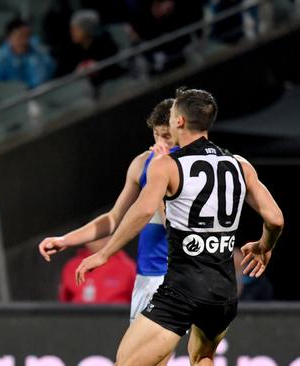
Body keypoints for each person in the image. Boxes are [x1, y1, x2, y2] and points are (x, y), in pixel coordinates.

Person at [75, 87, 284, 365]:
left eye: (172, 115)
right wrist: (264, 245)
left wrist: (104, 253)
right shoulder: (239, 165)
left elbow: (144, 210)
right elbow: (275, 219)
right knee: (203, 358)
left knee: (126, 360)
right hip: (223, 292)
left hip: (182, 289)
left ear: (180, 122)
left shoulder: (168, 165)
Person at [39, 98, 175, 317]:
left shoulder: (190, 169)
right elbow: (113, 218)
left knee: (190, 352)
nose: (160, 142)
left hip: (181, 276)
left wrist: (161, 176)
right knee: (135, 353)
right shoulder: (142, 163)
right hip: (148, 277)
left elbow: (175, 226)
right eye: (156, 134)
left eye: (167, 136)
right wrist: (66, 240)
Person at [0, 18, 55, 89]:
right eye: (20, 36)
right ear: (8, 38)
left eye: (28, 36)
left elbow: (42, 81)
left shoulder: (38, 54)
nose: (25, 41)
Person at [59, 237, 136, 304]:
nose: (101, 239)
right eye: (96, 236)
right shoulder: (73, 265)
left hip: (115, 318)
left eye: (106, 235)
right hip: (79, 317)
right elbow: (65, 300)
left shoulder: (127, 266)